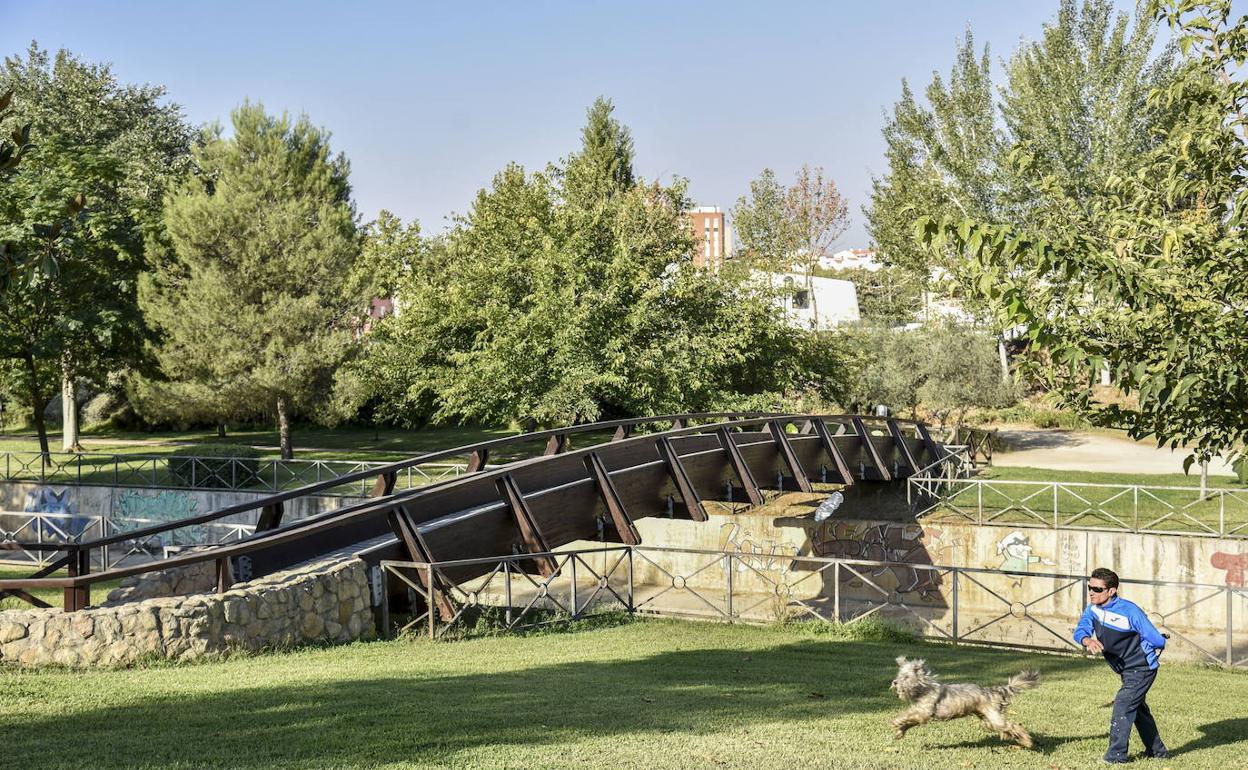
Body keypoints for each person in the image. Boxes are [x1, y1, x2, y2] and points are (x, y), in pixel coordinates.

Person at [1073, 567, 1169, 764]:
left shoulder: (1130, 611)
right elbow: (1080, 630)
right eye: (1089, 587)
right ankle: (1158, 752)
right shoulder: (1092, 609)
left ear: (1111, 591)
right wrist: (1087, 640)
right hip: (1126, 670)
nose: (1091, 592)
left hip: (1142, 668)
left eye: (1097, 589)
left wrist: (1148, 647)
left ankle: (1116, 757)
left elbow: (1157, 640)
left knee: (1123, 704)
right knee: (1138, 709)